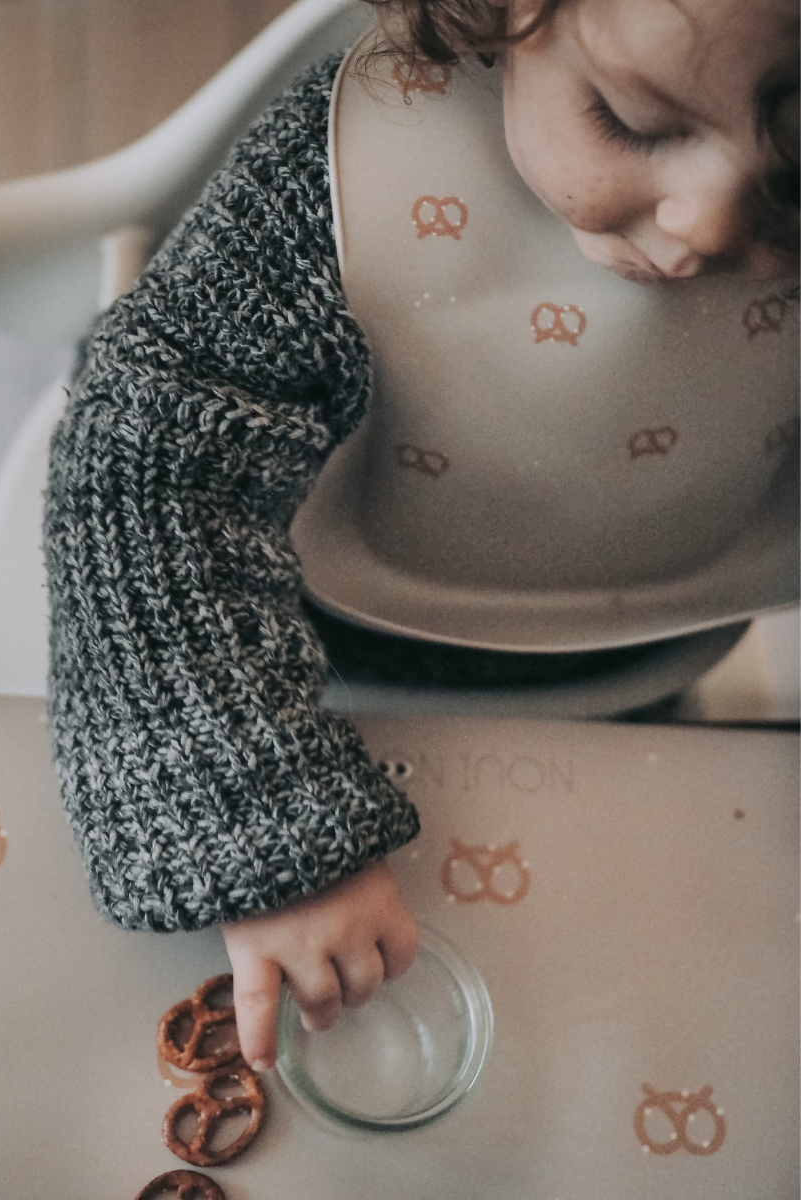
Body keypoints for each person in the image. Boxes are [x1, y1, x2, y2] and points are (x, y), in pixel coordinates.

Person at [43, 0, 799, 1074]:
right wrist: (262, 827)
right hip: (297, 651)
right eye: (631, 123)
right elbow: (149, 462)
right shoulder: (352, 178)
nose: (705, 228)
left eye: (793, 183)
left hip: (643, 655)